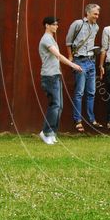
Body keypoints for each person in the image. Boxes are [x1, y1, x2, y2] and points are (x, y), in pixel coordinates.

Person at [38, 16, 83, 144]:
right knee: (55, 105)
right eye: (54, 24)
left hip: (55, 75)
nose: (56, 26)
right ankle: (46, 133)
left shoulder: (51, 38)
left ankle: (51, 133)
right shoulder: (46, 39)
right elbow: (57, 55)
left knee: (59, 106)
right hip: (49, 76)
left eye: (57, 24)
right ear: (47, 25)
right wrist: (73, 64)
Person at [65, 4, 102, 132]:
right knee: (79, 92)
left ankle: (91, 119)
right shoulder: (77, 24)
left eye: (98, 14)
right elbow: (68, 41)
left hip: (91, 61)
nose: (97, 16)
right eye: (95, 14)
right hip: (79, 61)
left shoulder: (96, 27)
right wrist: (70, 57)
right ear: (88, 13)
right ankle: (78, 120)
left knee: (91, 92)